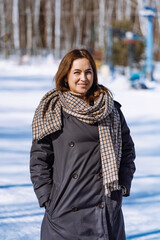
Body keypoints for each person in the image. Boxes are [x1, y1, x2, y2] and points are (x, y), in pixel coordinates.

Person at [30, 49, 136, 240]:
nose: (83, 78)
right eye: (76, 72)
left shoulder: (110, 109)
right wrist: (47, 198)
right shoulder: (53, 109)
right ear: (65, 76)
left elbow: (127, 150)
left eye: (88, 72)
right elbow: (39, 159)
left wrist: (122, 185)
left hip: (105, 206)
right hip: (65, 208)